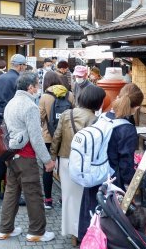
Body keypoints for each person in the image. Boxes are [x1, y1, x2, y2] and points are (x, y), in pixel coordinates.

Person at [78, 83, 144, 240]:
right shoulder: (127, 129)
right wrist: (132, 185)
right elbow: (126, 165)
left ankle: (88, 241)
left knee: (92, 218)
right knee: (108, 225)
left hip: (94, 175)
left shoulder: (102, 117)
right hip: (113, 182)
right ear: (136, 106)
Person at [0, 72, 55, 242]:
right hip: (26, 156)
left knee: (11, 192)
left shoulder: (11, 103)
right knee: (34, 194)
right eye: (37, 85)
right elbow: (36, 138)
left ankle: (5, 229)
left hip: (11, 154)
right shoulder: (30, 106)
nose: (38, 88)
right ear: (30, 87)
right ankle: (37, 232)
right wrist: (47, 160)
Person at [50, 85, 106, 246]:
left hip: (66, 161)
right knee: (84, 199)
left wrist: (52, 158)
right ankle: (83, 232)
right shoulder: (95, 120)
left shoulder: (67, 113)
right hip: (85, 164)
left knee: (69, 198)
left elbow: (57, 137)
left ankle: (72, 233)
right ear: (97, 102)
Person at [39, 71, 74, 210]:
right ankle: (65, 198)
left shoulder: (45, 97)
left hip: (49, 138)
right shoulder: (69, 95)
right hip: (67, 138)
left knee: (48, 168)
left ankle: (48, 200)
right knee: (65, 168)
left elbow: (40, 118)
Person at [0, 54, 27, 201]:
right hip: (14, 121)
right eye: (24, 66)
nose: (24, 68)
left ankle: (2, 190)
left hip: (0, 119)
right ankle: (15, 193)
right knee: (15, 157)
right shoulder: (19, 80)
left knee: (2, 156)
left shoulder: (0, 78)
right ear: (20, 65)